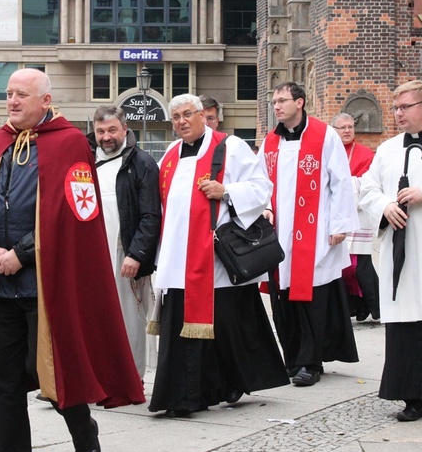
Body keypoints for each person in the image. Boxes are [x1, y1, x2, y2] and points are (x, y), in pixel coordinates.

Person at [0, 68, 144, 452]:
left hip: (45, 282)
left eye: (21, 94)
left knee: (53, 373)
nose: (12, 101)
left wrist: (21, 255)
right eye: (9, 94)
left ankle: (83, 431)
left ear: (45, 100)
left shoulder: (71, 143)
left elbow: (72, 215)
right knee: (0, 380)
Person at [148, 94, 289, 417]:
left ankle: (207, 391)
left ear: (203, 116)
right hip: (176, 259)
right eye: (175, 118)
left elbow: (261, 187)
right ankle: (185, 395)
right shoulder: (169, 155)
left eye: (187, 114)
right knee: (183, 329)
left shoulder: (231, 147)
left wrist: (226, 191)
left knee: (224, 328)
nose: (181, 121)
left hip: (214, 262)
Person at [359, 80, 422, 422]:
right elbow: (368, 188)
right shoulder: (388, 149)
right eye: (395, 108)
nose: (398, 114)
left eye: (405, 107)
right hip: (403, 254)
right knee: (409, 324)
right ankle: (416, 398)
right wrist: (384, 206)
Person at [259, 82, 359, 386]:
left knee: (311, 298)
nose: (276, 106)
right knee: (284, 298)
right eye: (274, 101)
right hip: (280, 232)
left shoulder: (324, 135)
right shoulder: (270, 142)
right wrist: (264, 208)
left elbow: (341, 181)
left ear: (300, 102)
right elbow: (260, 181)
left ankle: (310, 362)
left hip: (315, 232)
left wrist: (340, 224)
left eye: (282, 100)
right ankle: (292, 358)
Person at [87, 105, 161, 380]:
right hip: (92, 253)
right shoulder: (84, 160)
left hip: (124, 253)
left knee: (129, 319)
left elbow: (150, 214)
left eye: (112, 130)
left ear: (125, 130)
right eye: (100, 131)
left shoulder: (141, 163)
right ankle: (96, 376)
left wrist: (137, 253)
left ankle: (130, 377)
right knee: (93, 318)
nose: (106, 137)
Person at [331, 113, 380, 322]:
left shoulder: (365, 153)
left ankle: (377, 307)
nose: (347, 131)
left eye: (350, 126)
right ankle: (355, 307)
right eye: (342, 127)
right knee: (341, 267)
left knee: (360, 266)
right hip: (336, 218)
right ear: (334, 130)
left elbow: (370, 184)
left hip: (359, 218)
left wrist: (346, 186)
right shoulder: (329, 151)